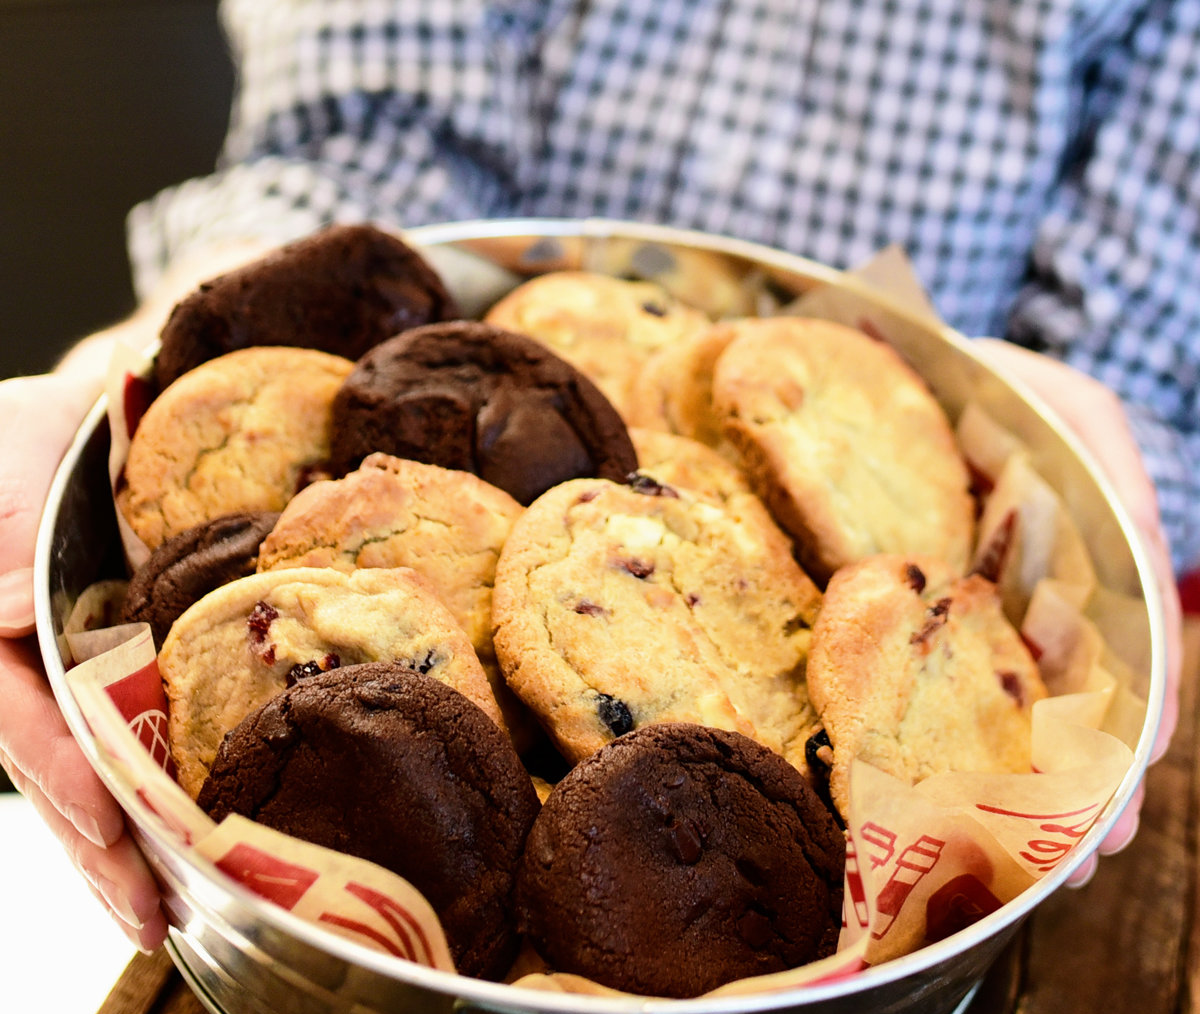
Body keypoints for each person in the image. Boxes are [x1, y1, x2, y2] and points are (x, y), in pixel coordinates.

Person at [1, 0, 1193, 952]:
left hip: (926, 409)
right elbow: (363, 147)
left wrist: (1073, 409)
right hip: (487, 349)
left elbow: (1145, 328)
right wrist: (114, 373)